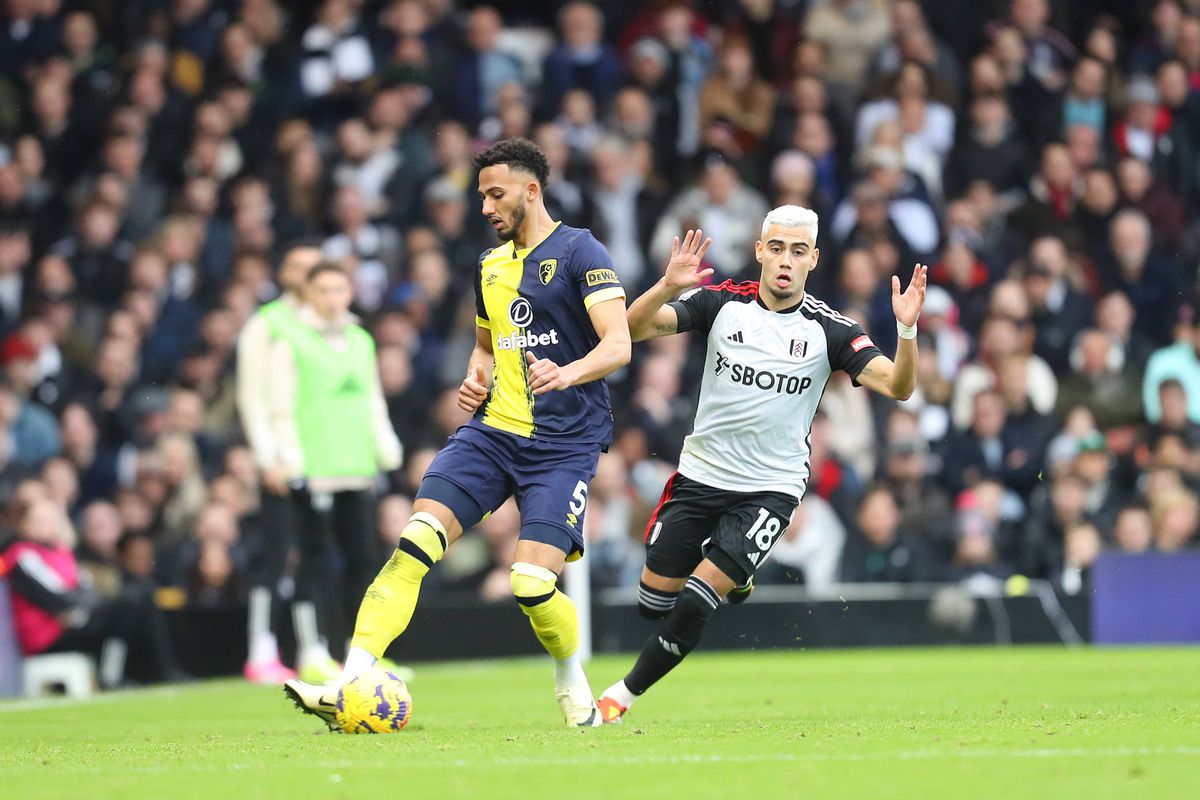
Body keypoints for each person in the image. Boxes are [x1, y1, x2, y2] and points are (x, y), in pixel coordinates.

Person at [284, 137, 631, 728]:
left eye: (496, 195)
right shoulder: (489, 265)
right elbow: (484, 348)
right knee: (414, 543)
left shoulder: (580, 250)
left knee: (528, 582)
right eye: (481, 197)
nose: (485, 207)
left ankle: (572, 679)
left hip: (563, 446)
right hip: (493, 433)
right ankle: (349, 683)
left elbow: (618, 344)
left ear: (531, 190)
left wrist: (566, 371)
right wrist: (476, 379)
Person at [597, 205, 925, 722]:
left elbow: (900, 387)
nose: (785, 261)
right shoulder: (722, 303)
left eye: (798, 251)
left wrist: (906, 332)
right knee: (651, 604)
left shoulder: (830, 330)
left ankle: (621, 696)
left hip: (769, 488)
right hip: (701, 475)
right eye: (776, 248)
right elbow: (632, 331)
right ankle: (737, 572)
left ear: (813, 259)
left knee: (699, 596)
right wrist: (665, 286)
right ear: (759, 252)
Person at [269, 262, 404, 684]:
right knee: (314, 563)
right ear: (309, 294)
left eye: (338, 289)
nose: (331, 298)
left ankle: (359, 653)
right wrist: (290, 458)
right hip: (314, 470)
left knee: (364, 562)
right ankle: (314, 651)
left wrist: (385, 445)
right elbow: (282, 406)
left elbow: (372, 399)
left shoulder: (361, 340)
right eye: (322, 290)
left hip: (357, 468)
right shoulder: (290, 340)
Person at [234, 243, 321, 684]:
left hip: (323, 459)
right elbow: (252, 396)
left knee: (314, 556)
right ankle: (261, 648)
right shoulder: (265, 325)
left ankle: (312, 648)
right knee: (274, 554)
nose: (309, 275)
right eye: (300, 266)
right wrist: (266, 457)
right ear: (285, 273)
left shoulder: (329, 325)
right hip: (284, 459)